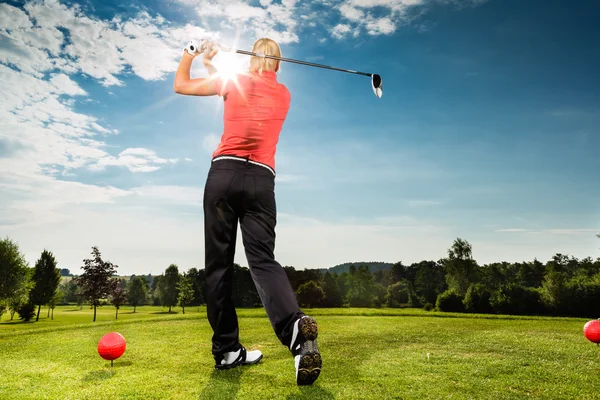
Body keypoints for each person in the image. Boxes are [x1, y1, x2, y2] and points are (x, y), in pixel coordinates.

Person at [173, 38, 322, 386]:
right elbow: (238, 88)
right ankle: (294, 329)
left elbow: (182, 85)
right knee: (263, 260)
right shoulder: (283, 94)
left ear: (251, 60)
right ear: (279, 66)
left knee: (218, 267)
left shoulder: (234, 82)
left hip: (223, 177)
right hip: (260, 182)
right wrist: (215, 64)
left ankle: (227, 350)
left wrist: (192, 54)